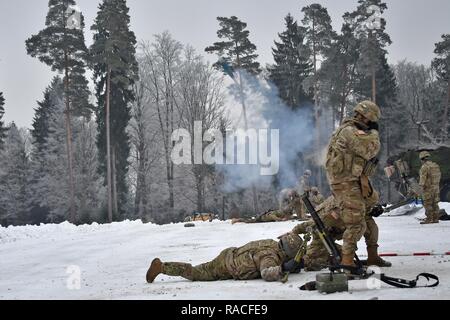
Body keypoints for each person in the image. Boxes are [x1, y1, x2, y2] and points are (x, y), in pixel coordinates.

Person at [325, 101, 381, 269]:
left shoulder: (349, 130)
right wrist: (374, 133)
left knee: (367, 217)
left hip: (352, 181)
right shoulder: (350, 132)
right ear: (368, 118)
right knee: (356, 224)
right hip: (346, 184)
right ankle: (347, 262)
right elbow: (370, 149)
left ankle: (373, 257)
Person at [146, 234, 303, 283]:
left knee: (201, 269)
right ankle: (161, 267)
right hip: (226, 266)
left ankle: (162, 267)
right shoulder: (269, 256)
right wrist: (283, 268)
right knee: (196, 273)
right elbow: (266, 273)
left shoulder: (272, 244)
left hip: (229, 255)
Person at [418, 151, 441, 224]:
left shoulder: (424, 167)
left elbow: (422, 179)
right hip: (436, 187)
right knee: (435, 203)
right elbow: (439, 176)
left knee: (428, 203)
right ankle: (435, 218)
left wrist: (420, 189)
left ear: (422, 159)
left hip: (428, 188)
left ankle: (429, 219)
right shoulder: (435, 165)